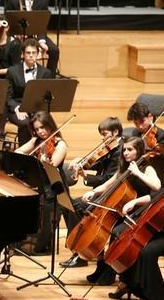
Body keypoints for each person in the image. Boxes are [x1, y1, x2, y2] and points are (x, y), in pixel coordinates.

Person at [81, 136, 161, 299]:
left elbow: (157, 188)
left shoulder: (147, 167)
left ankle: (127, 281)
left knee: (119, 233)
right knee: (115, 233)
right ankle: (124, 281)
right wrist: (93, 191)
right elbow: (109, 183)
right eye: (124, 149)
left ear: (139, 151)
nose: (125, 152)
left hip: (144, 211)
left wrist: (137, 173)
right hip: (128, 212)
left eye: (130, 149)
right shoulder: (123, 168)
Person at [59, 117, 123, 273]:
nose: (102, 137)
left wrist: (84, 176)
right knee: (68, 206)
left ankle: (81, 253)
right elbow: (96, 162)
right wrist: (80, 162)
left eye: (104, 133)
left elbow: (109, 178)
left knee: (76, 207)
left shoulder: (120, 150)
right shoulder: (110, 147)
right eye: (100, 133)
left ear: (115, 132)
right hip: (101, 191)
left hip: (111, 194)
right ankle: (78, 249)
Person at [15, 111, 67, 255]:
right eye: (37, 129)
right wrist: (28, 157)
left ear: (50, 125)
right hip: (41, 186)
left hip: (54, 189)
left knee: (45, 208)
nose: (40, 132)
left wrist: (44, 161)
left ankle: (42, 242)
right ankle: (22, 237)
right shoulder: (36, 141)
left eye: (43, 127)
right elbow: (19, 151)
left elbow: (53, 164)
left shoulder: (60, 144)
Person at [5, 0, 60, 74]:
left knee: (54, 50)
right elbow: (7, 20)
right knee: (15, 48)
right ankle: (16, 76)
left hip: (37, 34)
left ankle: (49, 77)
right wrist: (16, 34)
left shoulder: (43, 1)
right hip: (18, 35)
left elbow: (42, 25)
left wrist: (41, 41)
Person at [5, 38, 54, 145]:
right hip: (18, 107)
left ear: (38, 54)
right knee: (25, 123)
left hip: (37, 108)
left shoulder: (46, 72)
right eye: (28, 53)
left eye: (34, 53)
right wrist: (18, 108)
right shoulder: (12, 72)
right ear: (22, 54)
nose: (31, 55)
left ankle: (44, 152)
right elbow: (8, 96)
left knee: (46, 123)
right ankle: (24, 153)